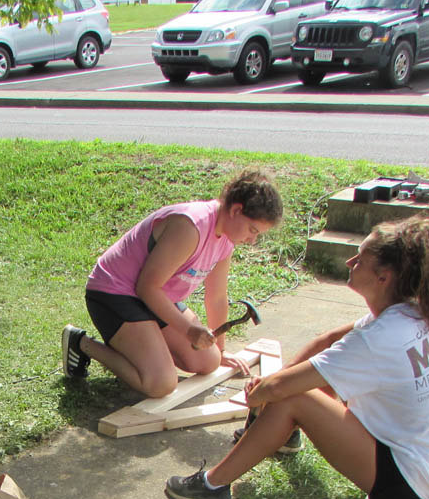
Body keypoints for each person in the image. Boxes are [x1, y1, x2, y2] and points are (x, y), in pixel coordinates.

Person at [164, 215, 429, 499]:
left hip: (406, 481)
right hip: (426, 464)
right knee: (292, 387)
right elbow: (328, 341)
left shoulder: (379, 339)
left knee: (291, 396)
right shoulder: (410, 314)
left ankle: (211, 487)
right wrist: (271, 392)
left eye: (360, 260)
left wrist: (259, 395)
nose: (350, 262)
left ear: (383, 277)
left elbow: (280, 388)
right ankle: (283, 431)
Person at [61, 168, 283, 399]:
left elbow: (216, 297)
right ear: (236, 210)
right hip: (115, 293)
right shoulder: (191, 227)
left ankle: (144, 349)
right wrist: (188, 330)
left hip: (156, 298)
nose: (252, 240)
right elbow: (146, 288)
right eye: (252, 230)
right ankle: (82, 343)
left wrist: (221, 349)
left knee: (210, 360)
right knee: (161, 383)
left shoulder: (226, 239)